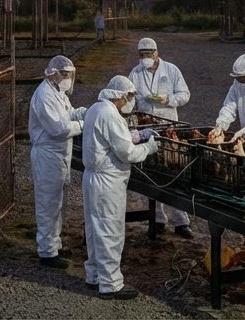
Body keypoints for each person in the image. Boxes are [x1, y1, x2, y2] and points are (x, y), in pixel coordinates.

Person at [82, 75, 158, 300]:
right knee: (110, 231)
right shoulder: (110, 114)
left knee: (95, 229)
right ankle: (111, 284)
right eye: (130, 97)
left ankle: (94, 275)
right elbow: (126, 153)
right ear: (121, 96)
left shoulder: (97, 109)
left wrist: (136, 135)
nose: (131, 101)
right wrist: (149, 147)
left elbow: (112, 139)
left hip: (93, 177)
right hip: (108, 180)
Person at [127, 37, 192, 237]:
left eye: (148, 54)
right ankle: (158, 219)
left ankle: (181, 222)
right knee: (152, 173)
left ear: (156, 53)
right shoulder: (135, 73)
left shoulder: (171, 70)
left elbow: (185, 94)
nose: (145, 58)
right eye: (142, 55)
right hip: (147, 126)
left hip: (168, 125)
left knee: (172, 171)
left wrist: (169, 99)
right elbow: (129, 97)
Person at [28, 55, 85, 269]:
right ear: (54, 73)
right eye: (66, 75)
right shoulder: (44, 95)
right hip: (47, 154)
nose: (68, 79)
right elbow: (59, 129)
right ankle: (47, 252)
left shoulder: (57, 92)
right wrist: (83, 124)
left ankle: (55, 244)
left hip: (60, 154)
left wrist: (89, 112)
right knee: (48, 203)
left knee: (59, 203)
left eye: (70, 75)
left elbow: (70, 113)